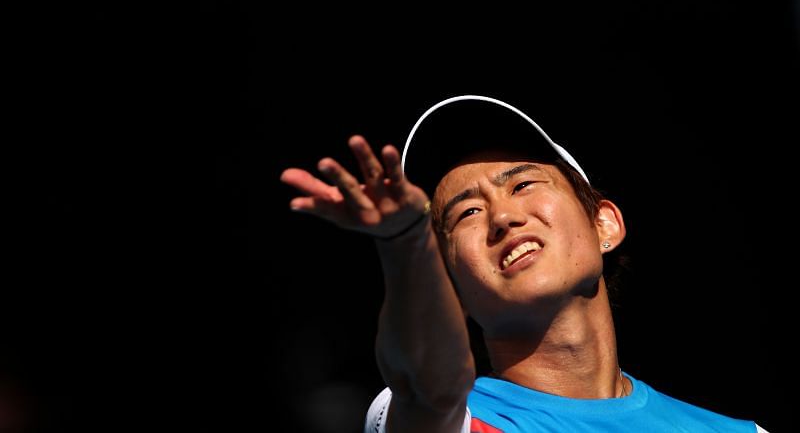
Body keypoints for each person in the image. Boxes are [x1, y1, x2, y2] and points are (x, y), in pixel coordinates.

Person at [280, 95, 768, 433]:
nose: (504, 217)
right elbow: (428, 387)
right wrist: (406, 241)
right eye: (466, 212)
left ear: (605, 225)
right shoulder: (448, 417)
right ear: (450, 289)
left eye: (524, 185)